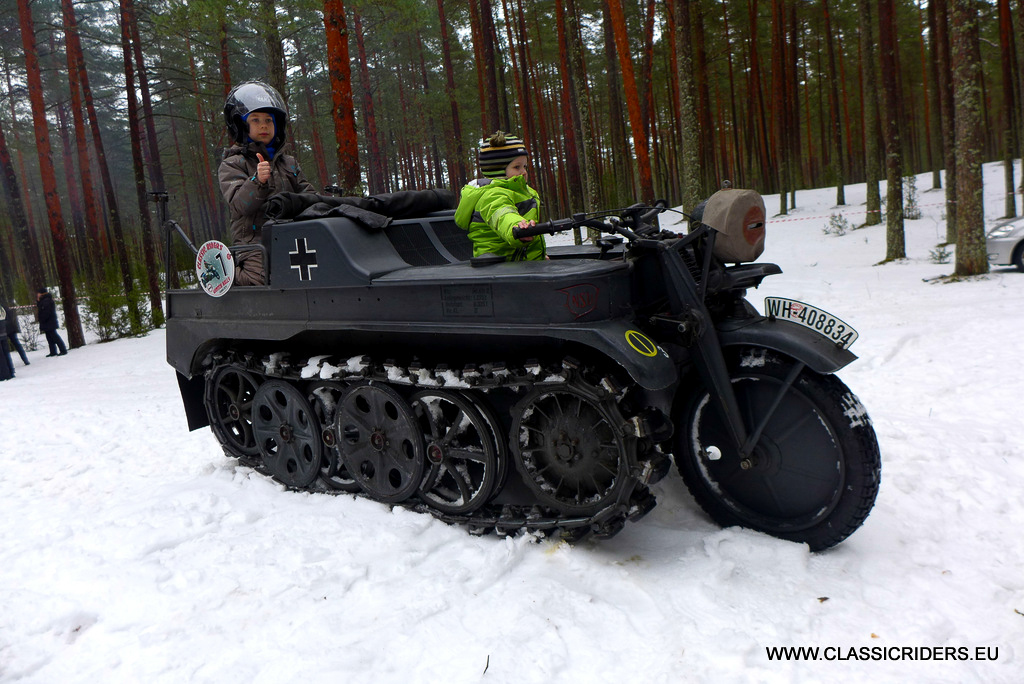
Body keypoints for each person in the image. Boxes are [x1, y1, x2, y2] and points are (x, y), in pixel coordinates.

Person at [219, 81, 314, 285]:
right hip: (254, 242)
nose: (263, 125)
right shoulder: (232, 164)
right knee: (262, 280)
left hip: (292, 236)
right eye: (255, 120)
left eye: (269, 120)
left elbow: (309, 196)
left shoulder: (288, 163)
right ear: (240, 125)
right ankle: (225, 276)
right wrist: (257, 181)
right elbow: (239, 204)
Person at [454, 131, 546, 261]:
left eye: (525, 166)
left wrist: (539, 256)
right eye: (517, 167)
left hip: (519, 262)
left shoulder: (521, 192)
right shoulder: (492, 195)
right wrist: (517, 228)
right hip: (499, 265)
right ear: (497, 169)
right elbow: (502, 215)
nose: (524, 172)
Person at [36, 288, 67, 357]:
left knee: (54, 336)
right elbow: (40, 307)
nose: (37, 295)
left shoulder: (47, 301)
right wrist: (38, 301)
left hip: (49, 321)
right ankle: (53, 351)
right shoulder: (43, 300)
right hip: (47, 322)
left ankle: (63, 350)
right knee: (49, 337)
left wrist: (43, 319)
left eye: (38, 293)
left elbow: (46, 311)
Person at [4, 301, 30, 367]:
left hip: (3, 330)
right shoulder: (5, 307)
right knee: (17, 344)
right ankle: (25, 359)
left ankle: (8, 365)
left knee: (5, 348)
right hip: (11, 328)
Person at [0, 303, 12, 381]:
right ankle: (10, 372)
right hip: (3, 332)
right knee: (6, 353)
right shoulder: (1, 307)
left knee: (1, 356)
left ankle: (3, 374)